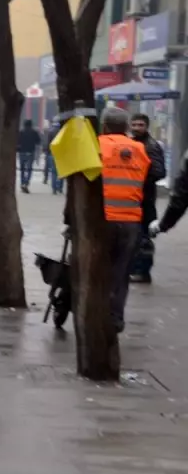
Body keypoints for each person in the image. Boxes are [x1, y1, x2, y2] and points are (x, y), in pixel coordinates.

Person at [70, 108, 152, 334]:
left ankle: (92, 313)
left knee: (94, 268)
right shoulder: (140, 150)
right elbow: (143, 177)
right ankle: (115, 317)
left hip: (102, 219)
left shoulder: (95, 147)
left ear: (104, 126)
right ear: (126, 128)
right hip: (130, 221)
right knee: (121, 271)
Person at [130, 113, 166, 283]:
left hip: (146, 199)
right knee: (135, 236)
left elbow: (159, 172)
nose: (137, 128)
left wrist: (139, 177)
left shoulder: (151, 146)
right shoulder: (132, 143)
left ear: (146, 126)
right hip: (134, 198)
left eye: (140, 125)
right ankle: (135, 269)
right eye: (134, 124)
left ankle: (143, 272)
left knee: (144, 237)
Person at [17, 119, 42, 193]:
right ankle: (26, 183)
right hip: (30, 152)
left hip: (22, 152)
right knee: (29, 169)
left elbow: (17, 141)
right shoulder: (34, 132)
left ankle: (22, 182)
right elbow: (38, 141)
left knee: (22, 169)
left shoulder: (21, 132)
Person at [43, 122, 64, 195]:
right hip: (61, 154)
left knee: (53, 172)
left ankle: (54, 188)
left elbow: (48, 143)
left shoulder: (50, 132)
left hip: (52, 153)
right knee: (61, 172)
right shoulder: (63, 132)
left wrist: (47, 152)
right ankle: (60, 187)